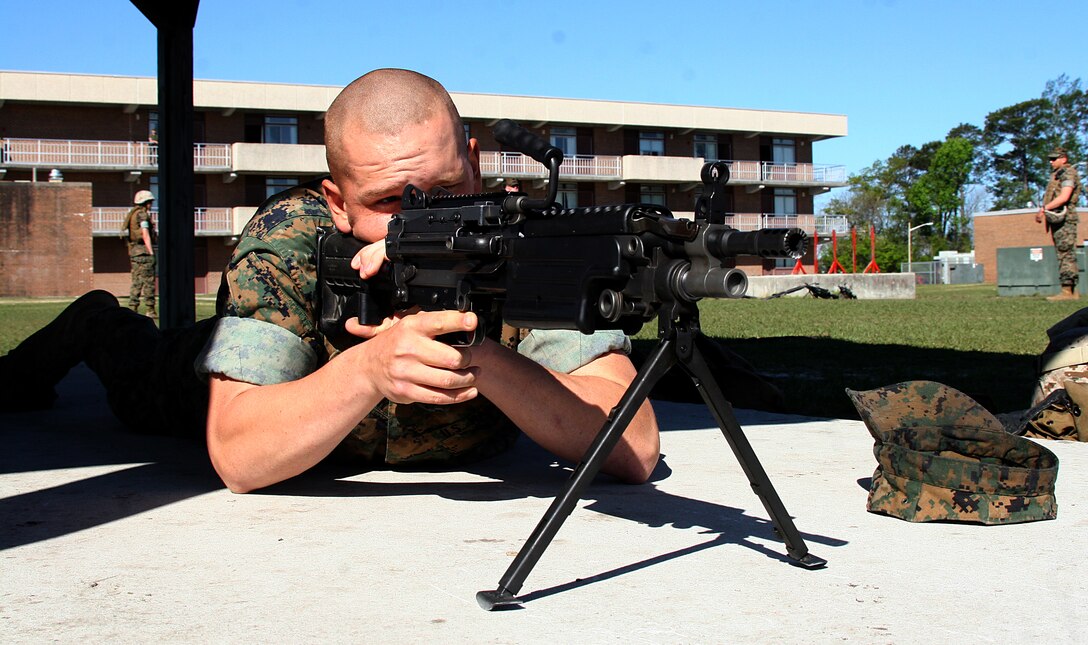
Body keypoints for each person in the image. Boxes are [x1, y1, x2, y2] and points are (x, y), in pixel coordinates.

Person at [1, 69, 661, 494]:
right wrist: (370, 370)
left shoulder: (519, 242)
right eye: (390, 206)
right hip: (178, 381)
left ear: (475, 163)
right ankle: (88, 321)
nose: (429, 220)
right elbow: (237, 452)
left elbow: (632, 446)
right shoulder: (292, 236)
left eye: (445, 189)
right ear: (338, 203)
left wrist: (480, 359)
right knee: (128, 361)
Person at [1035, 147, 1082, 301]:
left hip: (1065, 219)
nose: (1051, 162)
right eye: (1050, 158)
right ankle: (1071, 291)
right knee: (1064, 253)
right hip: (1058, 219)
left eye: (1054, 159)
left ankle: (1067, 291)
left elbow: (1064, 196)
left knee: (1065, 254)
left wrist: (1044, 209)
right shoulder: (1058, 174)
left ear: (1064, 159)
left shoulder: (1068, 173)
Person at [123, 190, 158, 318]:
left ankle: (133, 307)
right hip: (143, 253)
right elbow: (145, 233)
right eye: (150, 202)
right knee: (148, 282)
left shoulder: (133, 214)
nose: (151, 204)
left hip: (135, 252)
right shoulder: (142, 215)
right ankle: (150, 309)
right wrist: (150, 252)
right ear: (146, 202)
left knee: (136, 281)